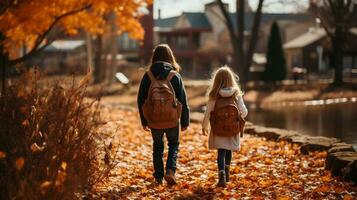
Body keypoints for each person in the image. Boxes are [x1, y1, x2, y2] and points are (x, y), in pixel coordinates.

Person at [137, 44, 190, 185]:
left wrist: (144, 121)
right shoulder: (175, 75)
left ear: (154, 57)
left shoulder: (148, 76)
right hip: (172, 119)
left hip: (154, 119)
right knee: (174, 144)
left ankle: (158, 177)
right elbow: (183, 100)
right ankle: (170, 171)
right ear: (170, 57)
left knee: (158, 146)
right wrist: (185, 121)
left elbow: (140, 99)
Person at [201, 66, 248, 187]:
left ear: (216, 81)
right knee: (228, 150)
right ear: (231, 79)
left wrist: (204, 126)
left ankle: (221, 173)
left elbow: (208, 112)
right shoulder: (236, 94)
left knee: (221, 151)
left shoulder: (214, 95)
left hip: (218, 129)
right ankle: (227, 172)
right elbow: (244, 112)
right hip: (232, 129)